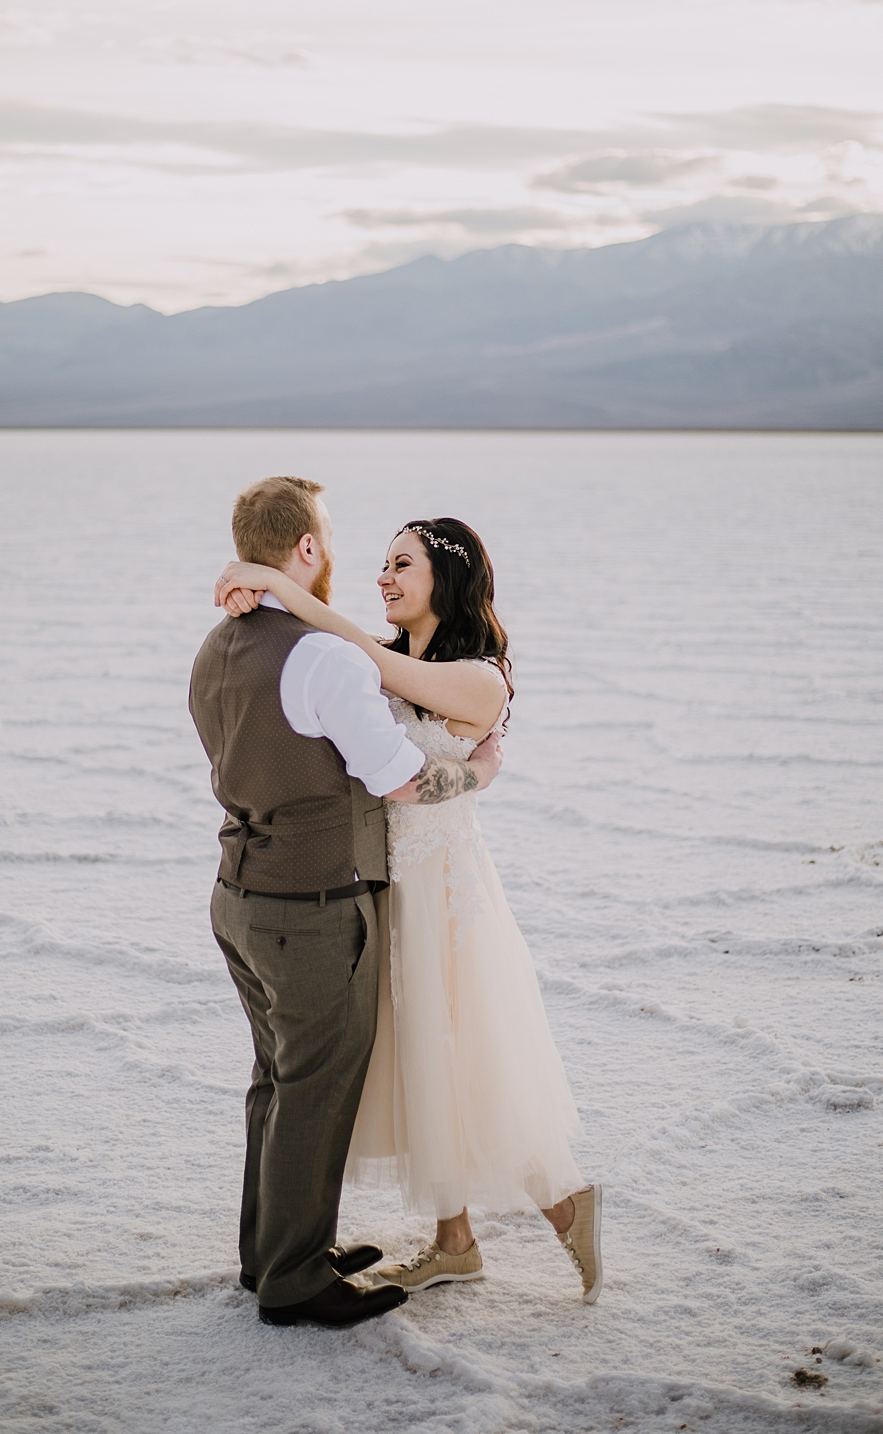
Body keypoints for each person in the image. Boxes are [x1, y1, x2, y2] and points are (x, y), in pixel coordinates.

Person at [216, 513, 602, 1303]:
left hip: (444, 892)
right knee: (421, 1056)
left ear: (447, 581)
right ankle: (454, 1241)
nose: (384, 577)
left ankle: (565, 1204)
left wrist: (280, 585)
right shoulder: (385, 659)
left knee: (459, 1052)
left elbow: (357, 659)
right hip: (382, 885)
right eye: (382, 564)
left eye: (403, 566)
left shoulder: (478, 676)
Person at [189, 477, 504, 1328]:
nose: (355, 566)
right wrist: (471, 776)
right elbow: (398, 777)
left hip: (238, 894)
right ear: (306, 550)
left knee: (276, 1081)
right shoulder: (322, 656)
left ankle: (274, 1253)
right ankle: (293, 1276)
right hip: (310, 903)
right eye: (331, 542)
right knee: (315, 1087)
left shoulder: (217, 646)